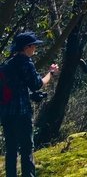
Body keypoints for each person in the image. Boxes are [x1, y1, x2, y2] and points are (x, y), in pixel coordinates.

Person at [0, 32, 58, 177]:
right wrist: (50, 73)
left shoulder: (7, 64)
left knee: (11, 149)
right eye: (33, 46)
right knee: (27, 148)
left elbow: (13, 88)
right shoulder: (26, 63)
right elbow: (37, 84)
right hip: (22, 113)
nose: (35, 49)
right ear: (27, 47)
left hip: (6, 113)